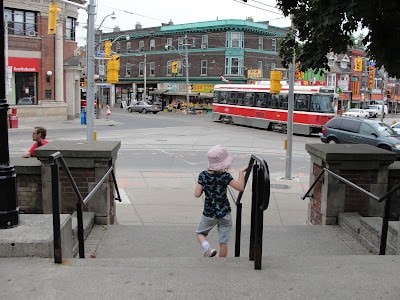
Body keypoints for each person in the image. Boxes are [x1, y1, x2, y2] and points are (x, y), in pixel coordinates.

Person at [194, 144, 246, 257]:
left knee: (200, 233)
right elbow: (240, 187)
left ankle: (207, 247)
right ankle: (222, 264)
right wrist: (241, 173)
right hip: (225, 213)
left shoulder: (203, 176)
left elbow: (197, 194)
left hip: (209, 213)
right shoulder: (225, 176)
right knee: (223, 242)